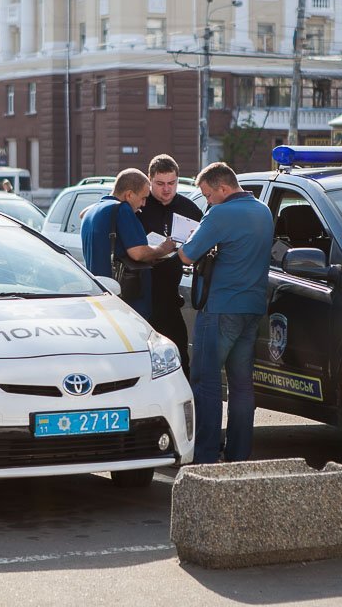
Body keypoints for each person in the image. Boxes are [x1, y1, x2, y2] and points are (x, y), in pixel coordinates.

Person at [178, 162, 273, 465]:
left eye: (207, 195)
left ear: (223, 187)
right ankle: (238, 454)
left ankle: (205, 455)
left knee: (206, 381)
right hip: (252, 308)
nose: (207, 201)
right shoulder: (263, 211)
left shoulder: (220, 214)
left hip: (220, 309)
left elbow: (186, 254)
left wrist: (195, 234)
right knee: (241, 386)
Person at [137, 154, 203, 375]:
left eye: (172, 183)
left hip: (171, 295)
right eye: (160, 184)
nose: (167, 189)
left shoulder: (189, 209)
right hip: (140, 293)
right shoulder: (139, 205)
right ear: (149, 180)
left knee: (179, 354)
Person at [81, 168, 176, 319]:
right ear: (129, 194)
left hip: (101, 296)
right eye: (143, 198)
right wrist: (163, 248)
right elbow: (138, 253)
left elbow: (83, 214)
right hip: (126, 303)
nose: (144, 204)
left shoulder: (91, 212)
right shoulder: (122, 209)